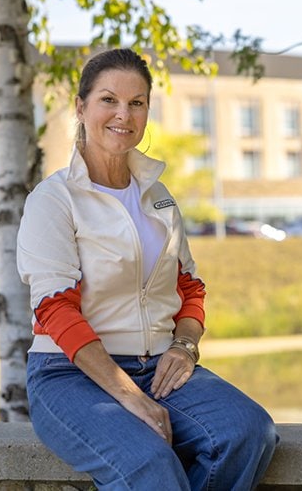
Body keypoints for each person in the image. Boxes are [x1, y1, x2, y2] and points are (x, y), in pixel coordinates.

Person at [17, 48, 278, 491]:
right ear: (81, 108)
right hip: (68, 374)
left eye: (136, 102)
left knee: (248, 432)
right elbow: (55, 311)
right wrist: (129, 397)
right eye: (108, 100)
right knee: (150, 464)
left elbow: (190, 289)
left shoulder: (159, 198)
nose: (124, 113)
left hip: (158, 363)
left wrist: (184, 347)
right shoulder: (53, 199)